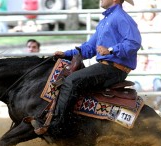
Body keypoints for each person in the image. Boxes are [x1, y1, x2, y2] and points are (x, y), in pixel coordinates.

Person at [36, 0, 141, 135]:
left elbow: (133, 43)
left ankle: (58, 125)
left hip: (115, 69)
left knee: (71, 81)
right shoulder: (106, 20)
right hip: (107, 67)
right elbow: (89, 48)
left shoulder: (121, 17)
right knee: (72, 79)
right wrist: (67, 54)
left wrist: (111, 50)